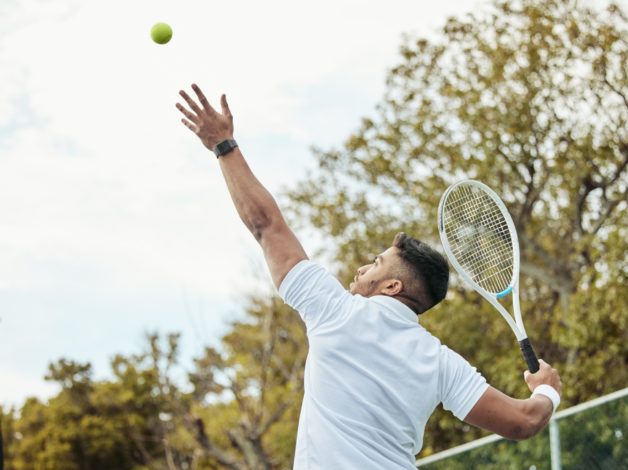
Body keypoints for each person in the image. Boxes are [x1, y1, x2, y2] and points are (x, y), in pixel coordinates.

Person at [176, 84, 562, 469]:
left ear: (393, 287)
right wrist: (547, 391)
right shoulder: (441, 362)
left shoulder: (336, 311)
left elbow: (266, 225)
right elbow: (524, 421)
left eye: (376, 263)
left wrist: (223, 145)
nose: (362, 269)